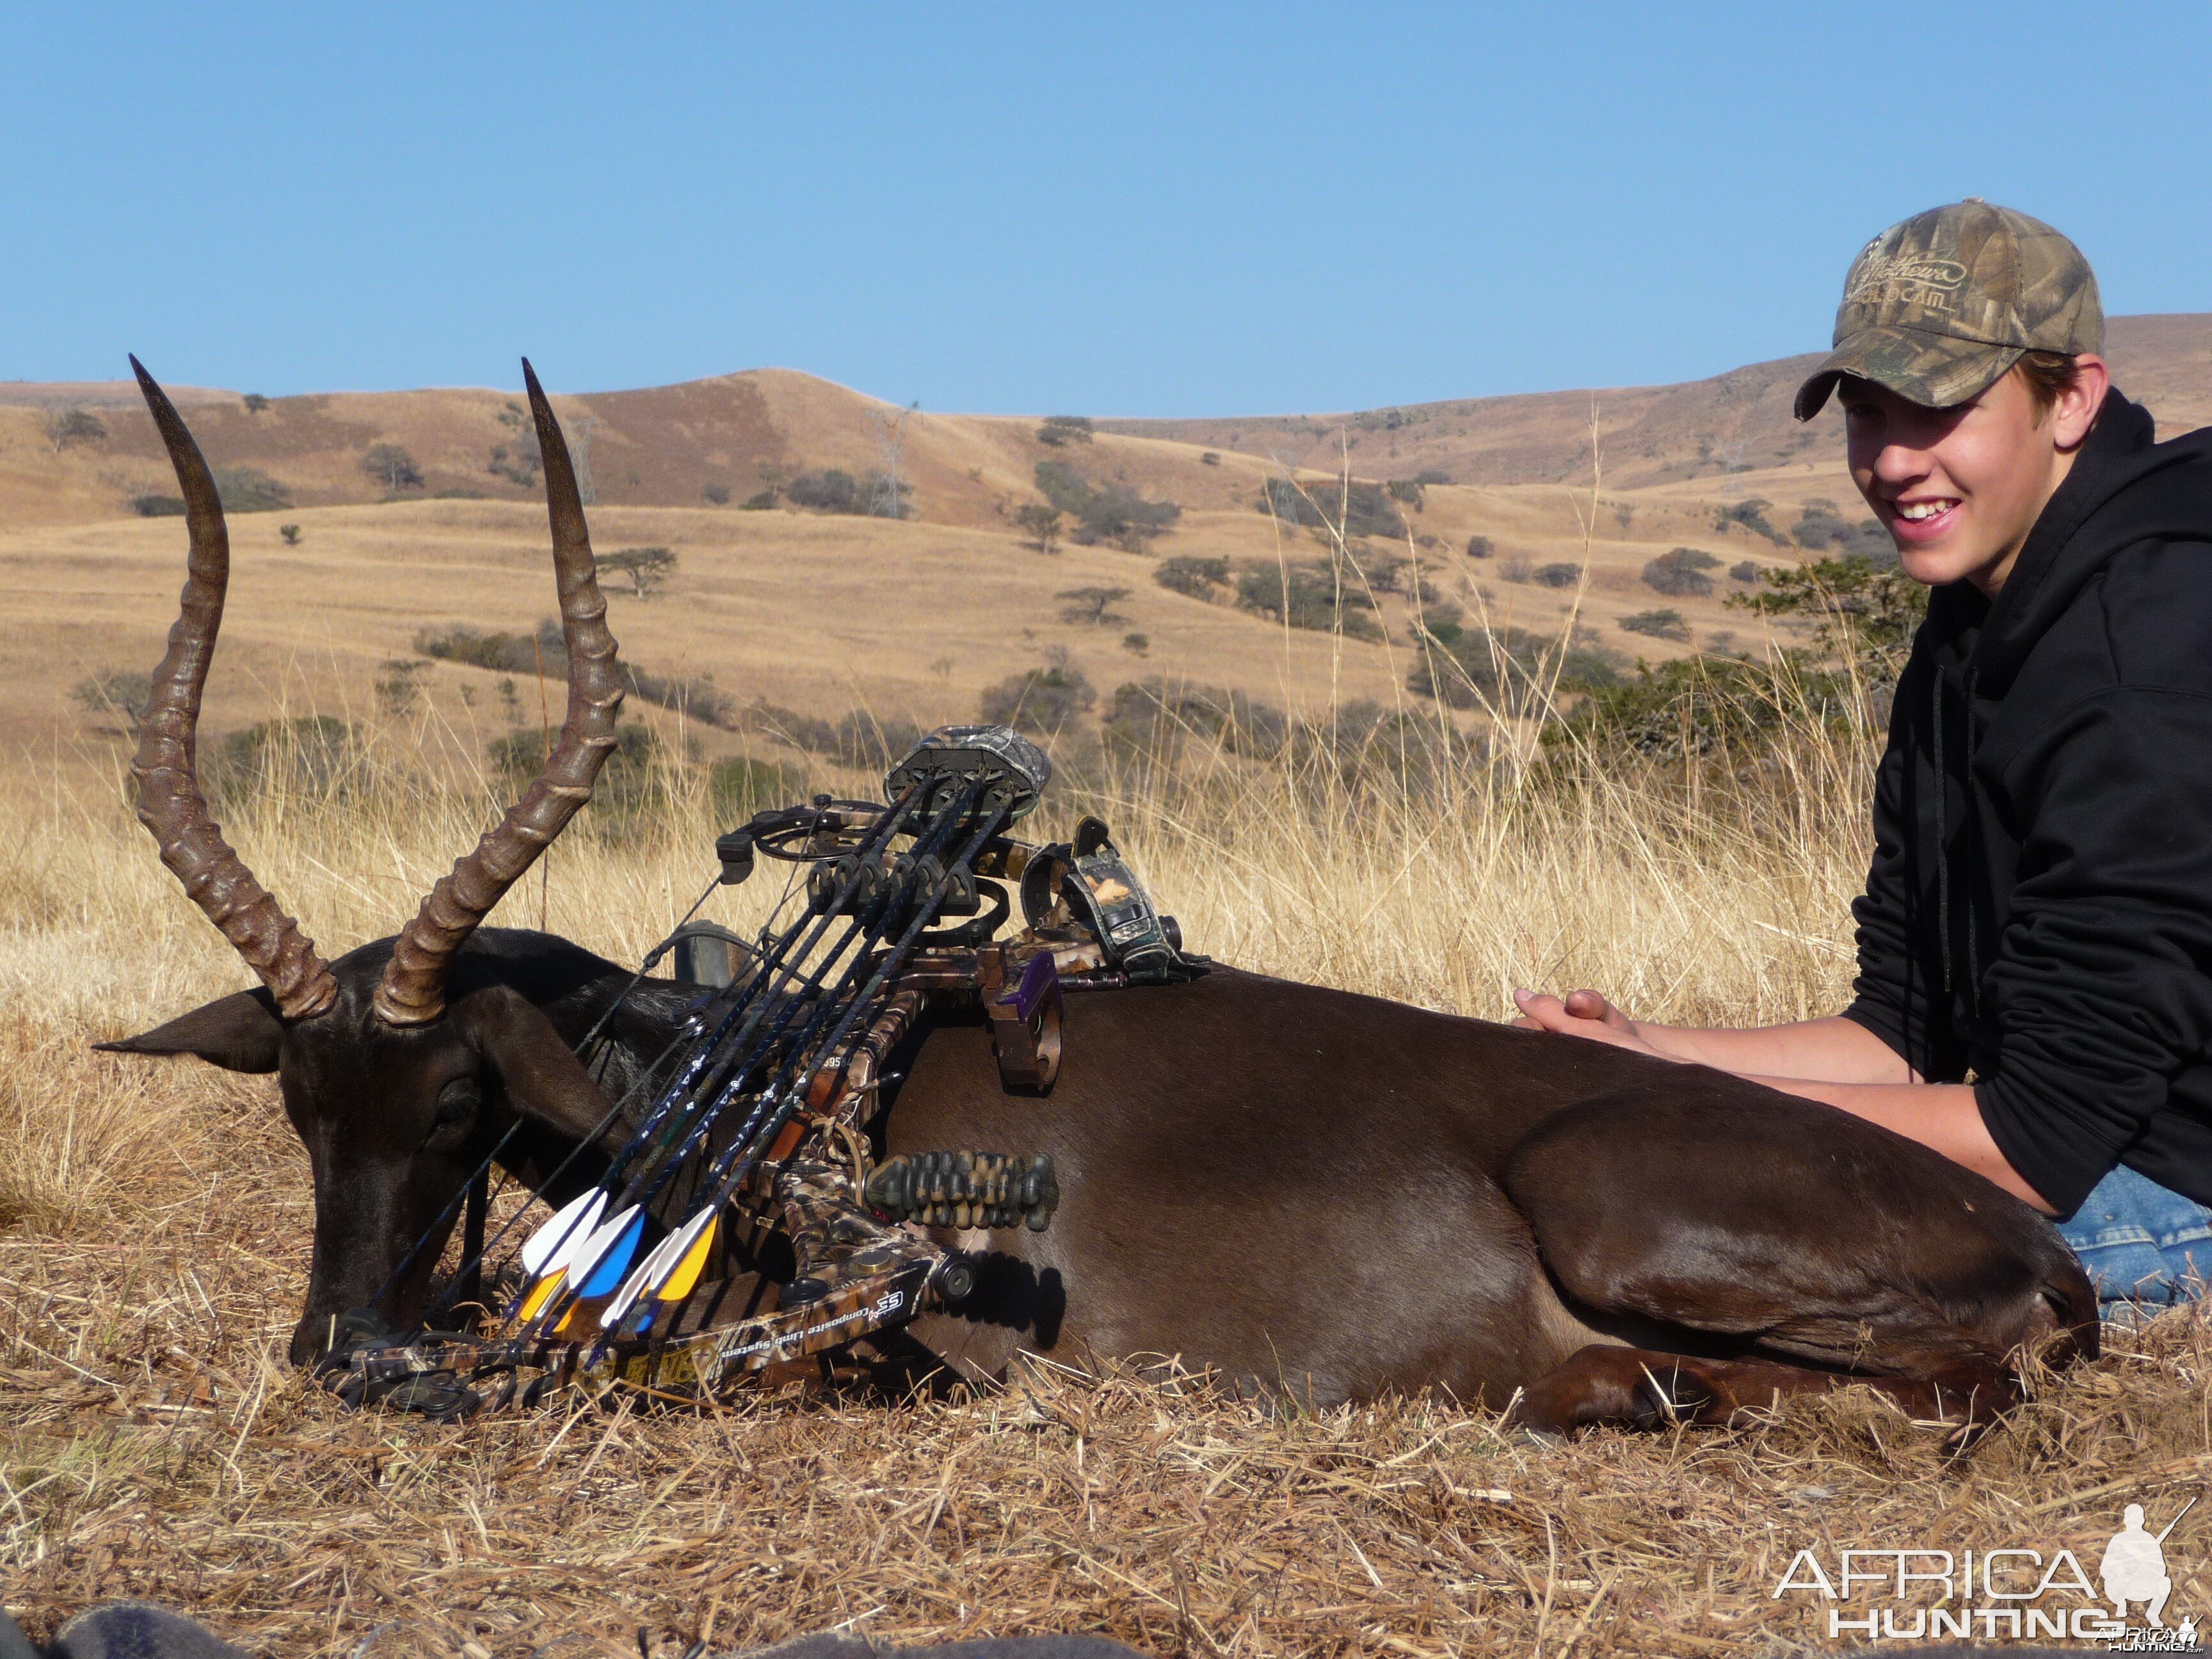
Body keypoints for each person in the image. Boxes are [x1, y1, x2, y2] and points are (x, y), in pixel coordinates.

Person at [1512, 200, 2212, 1310]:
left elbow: (2036, 1142)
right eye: (1867, 412)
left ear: (2071, 399)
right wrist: (1647, 1055)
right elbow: (1901, 1031)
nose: (1891, 460)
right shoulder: (1972, 627)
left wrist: (1690, 1106)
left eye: (1940, 411)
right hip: (2083, 1149)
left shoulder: (2146, 652)